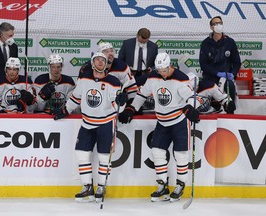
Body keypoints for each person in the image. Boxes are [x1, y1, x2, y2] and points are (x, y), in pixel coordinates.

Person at [118, 53, 200, 202]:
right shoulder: (153, 76)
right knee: (157, 151)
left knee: (180, 154)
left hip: (179, 122)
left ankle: (181, 185)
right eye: (159, 69)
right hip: (162, 122)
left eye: (164, 69)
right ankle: (162, 184)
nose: (162, 72)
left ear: (170, 66)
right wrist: (131, 109)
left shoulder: (180, 78)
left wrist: (192, 108)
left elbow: (192, 98)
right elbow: (142, 94)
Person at [54, 52, 127, 202]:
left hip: (105, 123)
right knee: (81, 154)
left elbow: (118, 106)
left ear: (106, 64)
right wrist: (65, 110)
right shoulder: (84, 79)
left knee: (104, 156)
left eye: (103, 60)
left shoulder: (113, 81)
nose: (100, 62)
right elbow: (76, 97)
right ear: (92, 63)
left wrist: (122, 101)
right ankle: (87, 187)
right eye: (97, 59)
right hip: (87, 123)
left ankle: (101, 186)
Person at [199, 16, 241, 107]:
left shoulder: (230, 42)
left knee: (230, 86)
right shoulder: (205, 43)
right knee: (209, 102)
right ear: (211, 27)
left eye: (220, 23)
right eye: (216, 24)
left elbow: (237, 62)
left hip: (226, 78)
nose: (219, 25)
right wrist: (217, 73)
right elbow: (203, 65)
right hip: (210, 77)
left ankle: (230, 111)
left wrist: (233, 74)